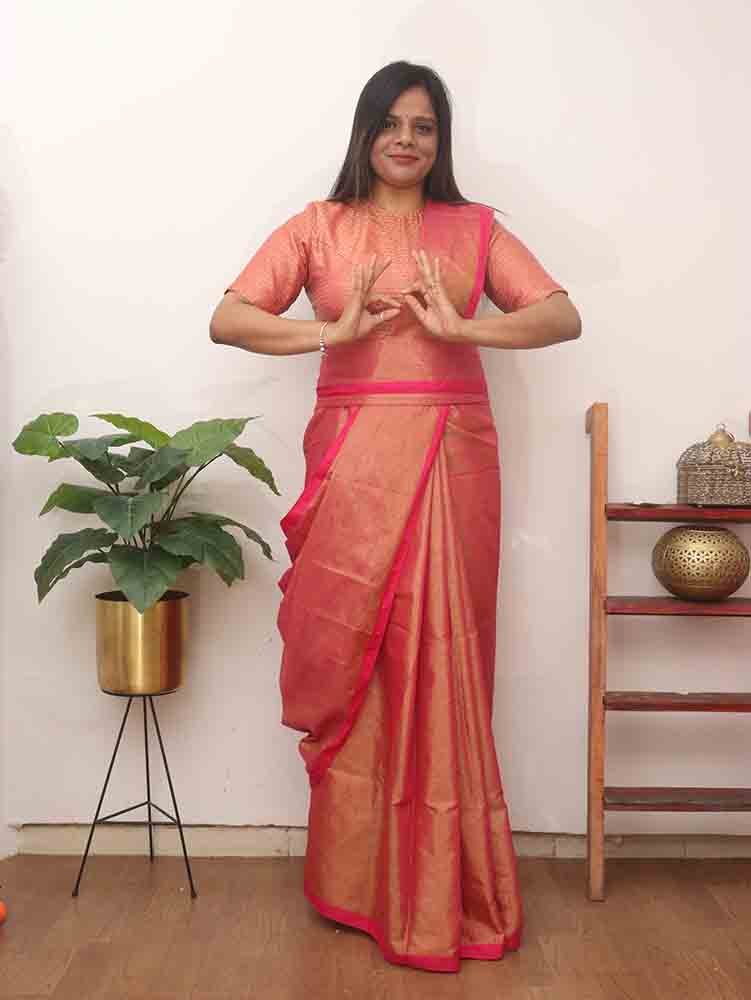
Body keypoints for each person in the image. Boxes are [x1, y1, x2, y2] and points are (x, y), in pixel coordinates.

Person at [210, 60, 581, 973]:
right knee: (359, 656)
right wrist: (328, 335)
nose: (406, 140)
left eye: (423, 126)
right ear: (365, 131)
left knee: (442, 651)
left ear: (439, 139)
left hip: (451, 457)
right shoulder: (319, 226)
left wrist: (463, 331)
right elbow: (229, 318)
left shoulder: (474, 227)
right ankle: (360, 878)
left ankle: (448, 884)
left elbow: (559, 315)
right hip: (352, 461)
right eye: (391, 123)